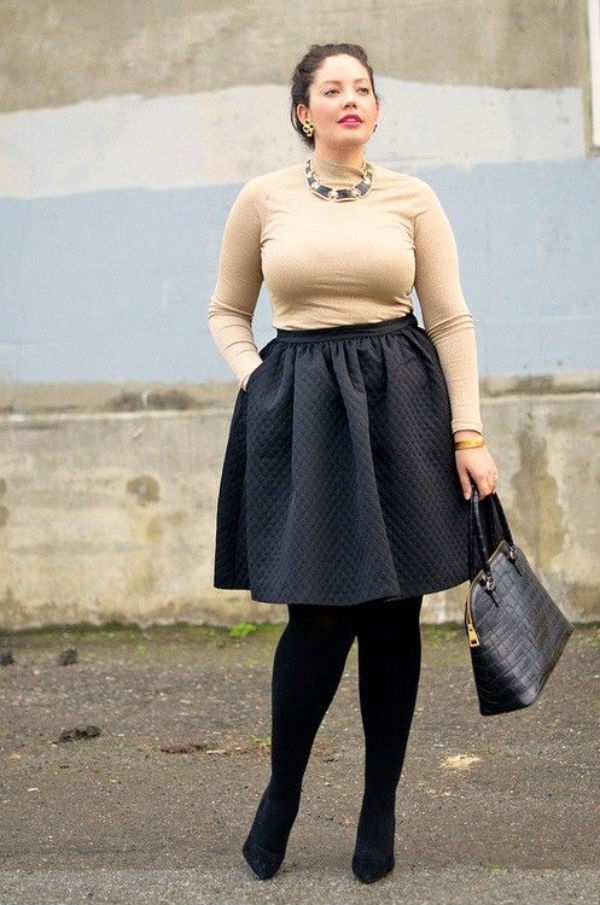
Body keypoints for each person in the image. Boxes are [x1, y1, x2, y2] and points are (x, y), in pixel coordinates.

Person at [207, 42, 499, 884]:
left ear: (375, 109)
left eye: (362, 88)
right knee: (317, 615)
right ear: (304, 112)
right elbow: (226, 311)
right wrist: (262, 381)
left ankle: (379, 804)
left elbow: (450, 319)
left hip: (400, 404)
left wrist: (469, 434)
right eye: (331, 88)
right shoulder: (263, 198)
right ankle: (283, 791)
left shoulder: (413, 198)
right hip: (302, 413)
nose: (350, 99)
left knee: (393, 614)